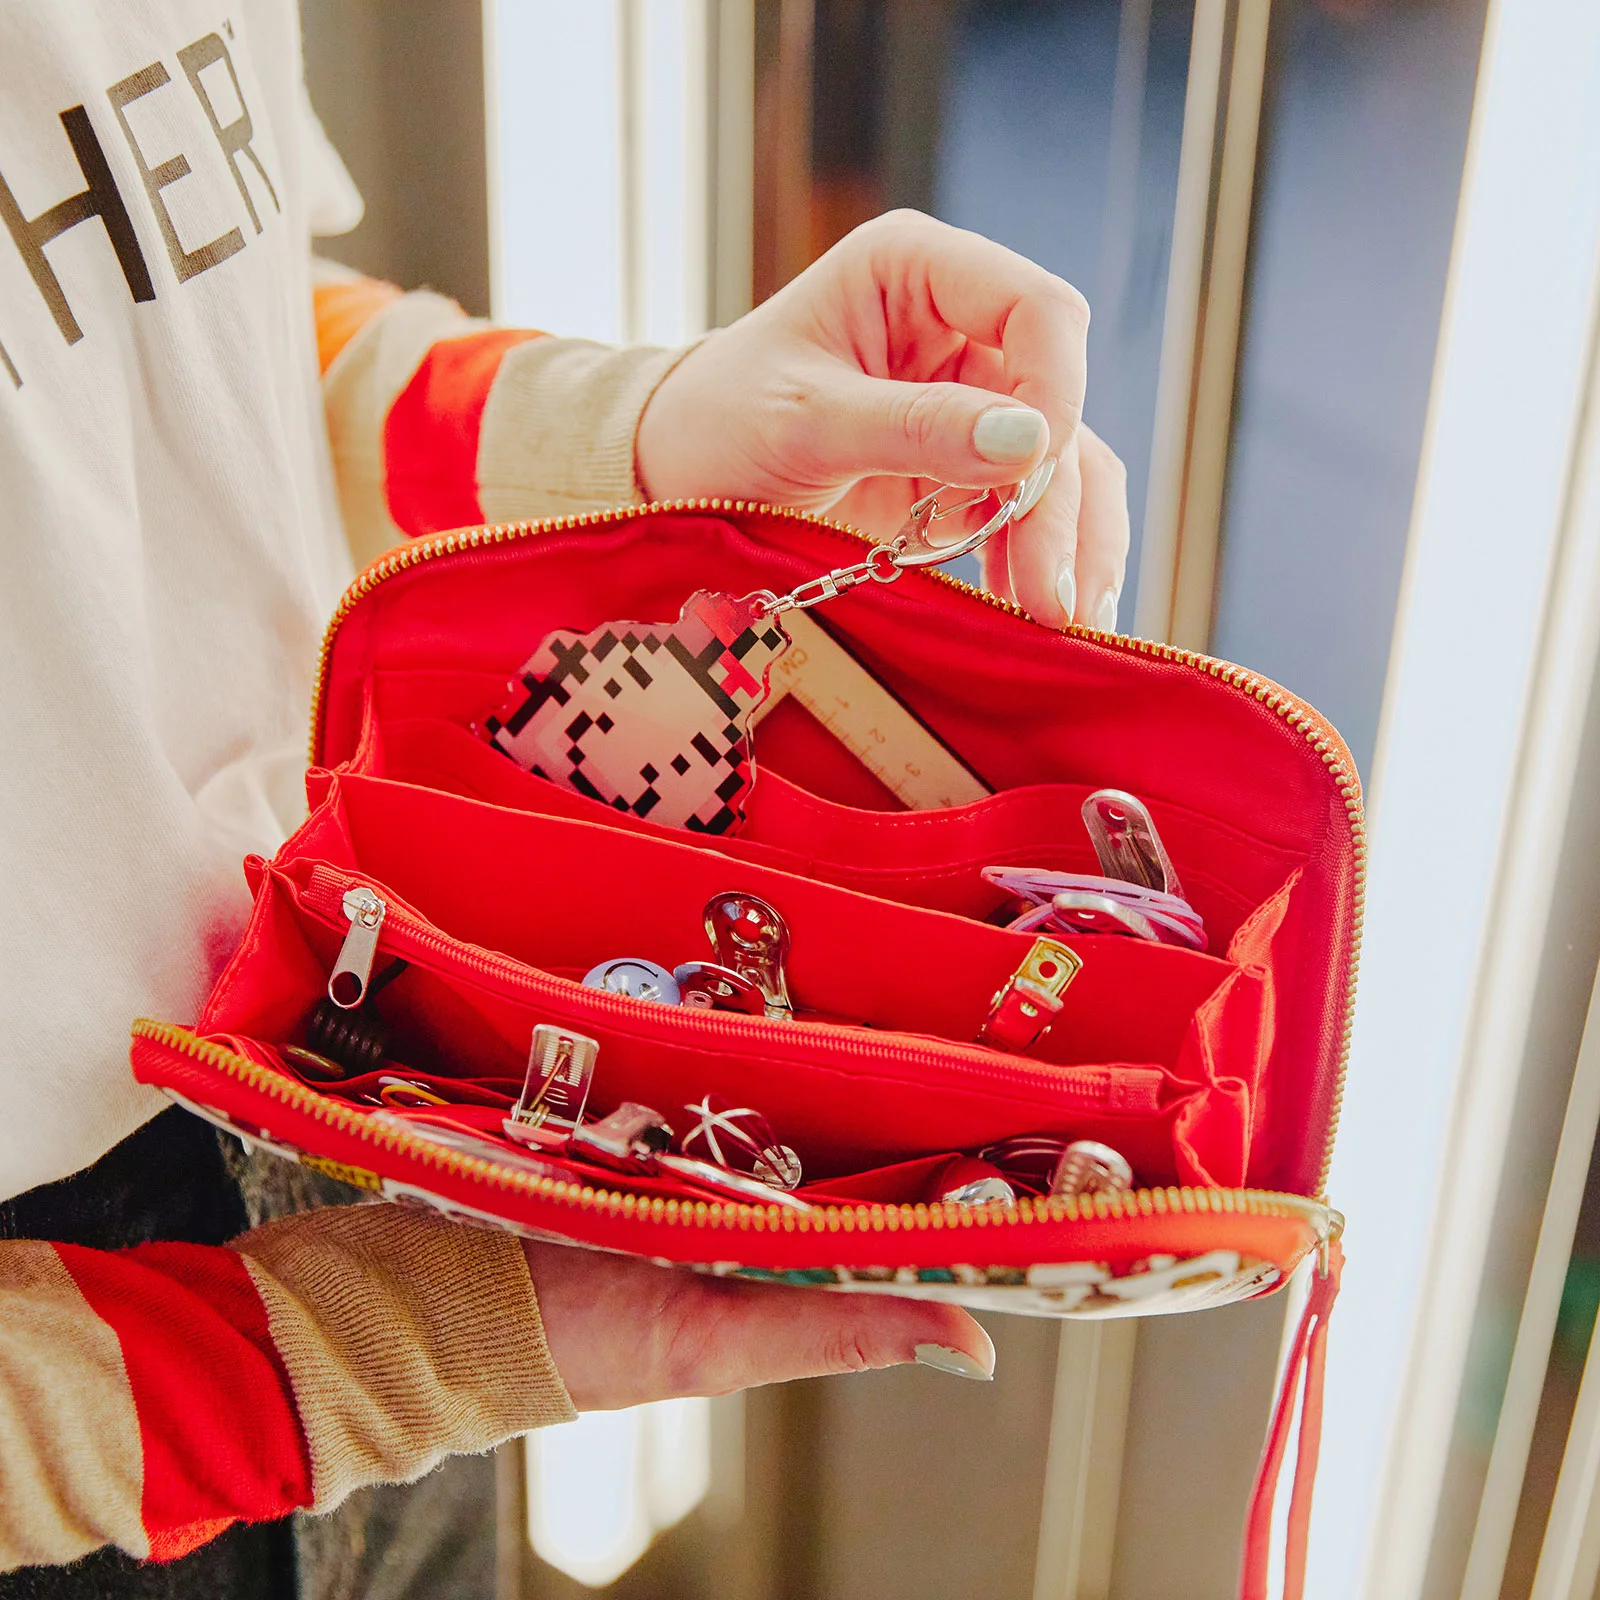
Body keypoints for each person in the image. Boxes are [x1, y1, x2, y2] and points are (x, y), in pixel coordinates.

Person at [0, 6, 1129, 1591]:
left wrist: (649, 432)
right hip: (92, 1404)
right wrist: (369, 1354)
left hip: (372, 1057)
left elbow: (208, 332)